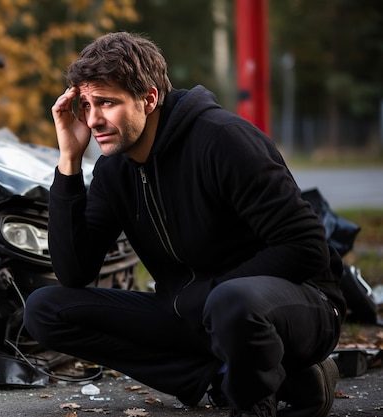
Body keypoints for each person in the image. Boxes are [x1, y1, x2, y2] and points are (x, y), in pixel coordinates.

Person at [23, 32, 345, 417]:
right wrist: (69, 163)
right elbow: (74, 272)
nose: (93, 120)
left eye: (107, 102)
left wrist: (208, 295)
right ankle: (235, 380)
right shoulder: (114, 170)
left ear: (150, 97)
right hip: (197, 314)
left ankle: (254, 400)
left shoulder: (222, 140)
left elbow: (307, 246)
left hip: (296, 308)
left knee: (231, 302)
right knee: (46, 308)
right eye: (87, 104)